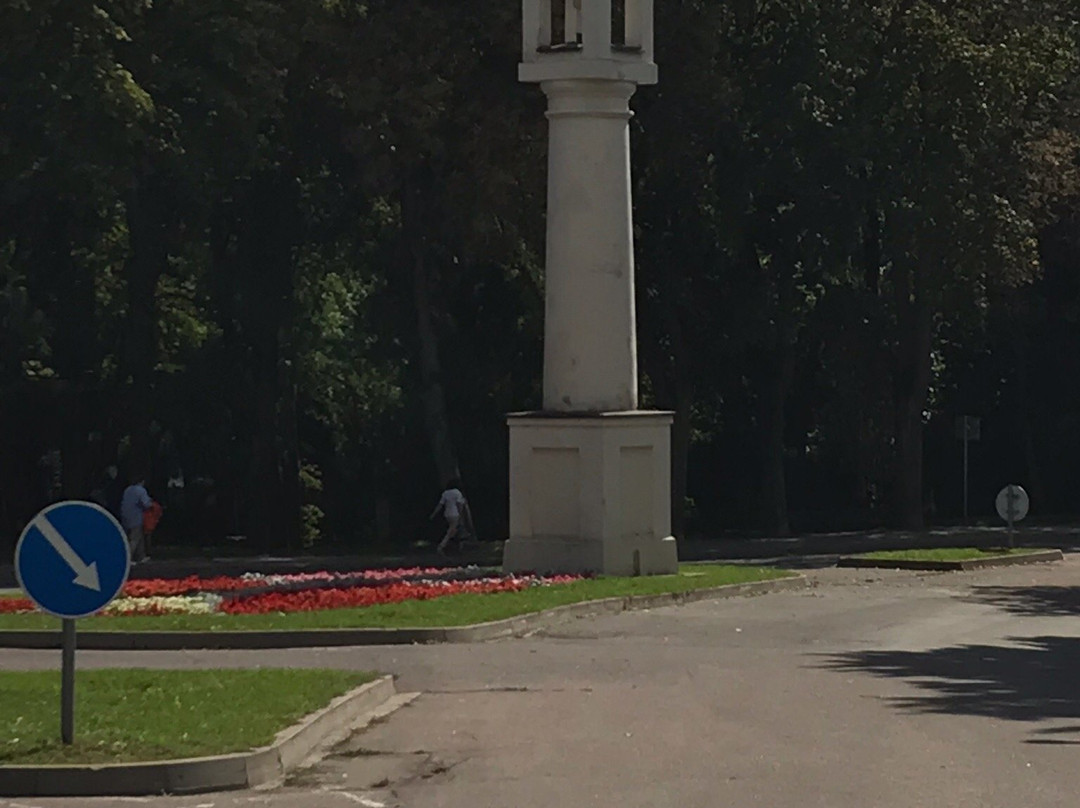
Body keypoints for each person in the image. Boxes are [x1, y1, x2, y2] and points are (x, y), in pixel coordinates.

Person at [429, 478, 472, 556]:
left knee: (454, 530)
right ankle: (442, 546)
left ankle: (456, 546)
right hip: (455, 514)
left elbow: (440, 505)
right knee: (451, 530)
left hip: (447, 514)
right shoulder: (457, 493)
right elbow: (459, 504)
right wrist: (460, 513)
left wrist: (433, 514)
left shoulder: (445, 493)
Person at [120, 475, 155, 563]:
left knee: (138, 536)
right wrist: (152, 503)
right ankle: (128, 559)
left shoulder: (127, 489)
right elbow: (146, 504)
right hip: (136, 516)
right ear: (142, 482)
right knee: (134, 538)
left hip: (125, 515)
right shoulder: (141, 490)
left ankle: (141, 556)